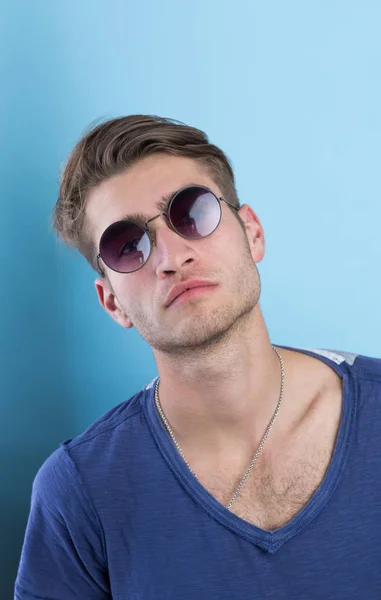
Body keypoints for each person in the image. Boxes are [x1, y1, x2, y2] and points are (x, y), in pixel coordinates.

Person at [15, 115, 381, 599]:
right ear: (112, 302)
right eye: (128, 246)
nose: (172, 256)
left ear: (252, 232)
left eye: (193, 212)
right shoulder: (80, 490)